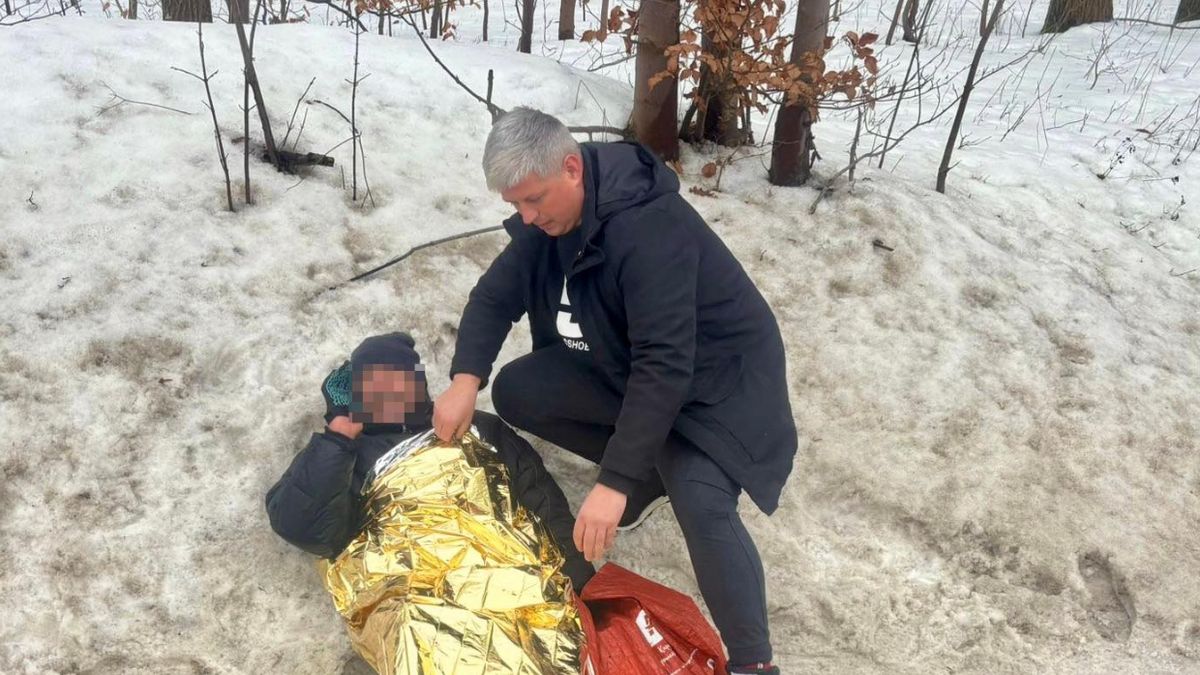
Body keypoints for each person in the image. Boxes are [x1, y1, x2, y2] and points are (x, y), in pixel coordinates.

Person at [432, 108, 797, 675]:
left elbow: (666, 363)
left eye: (534, 200)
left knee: (701, 501)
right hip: (631, 366)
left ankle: (755, 663)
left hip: (717, 386)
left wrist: (611, 482)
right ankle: (650, 474)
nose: (526, 218)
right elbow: (493, 298)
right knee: (520, 389)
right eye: (515, 207)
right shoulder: (550, 222)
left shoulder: (648, 229)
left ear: (572, 168)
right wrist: (464, 380)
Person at [265, 332, 595, 592]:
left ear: (418, 383)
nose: (389, 394)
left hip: (510, 574)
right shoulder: (346, 457)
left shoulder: (472, 425)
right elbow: (303, 528)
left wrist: (580, 581)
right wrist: (338, 437)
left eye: (399, 380)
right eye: (374, 385)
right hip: (421, 598)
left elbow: (537, 493)